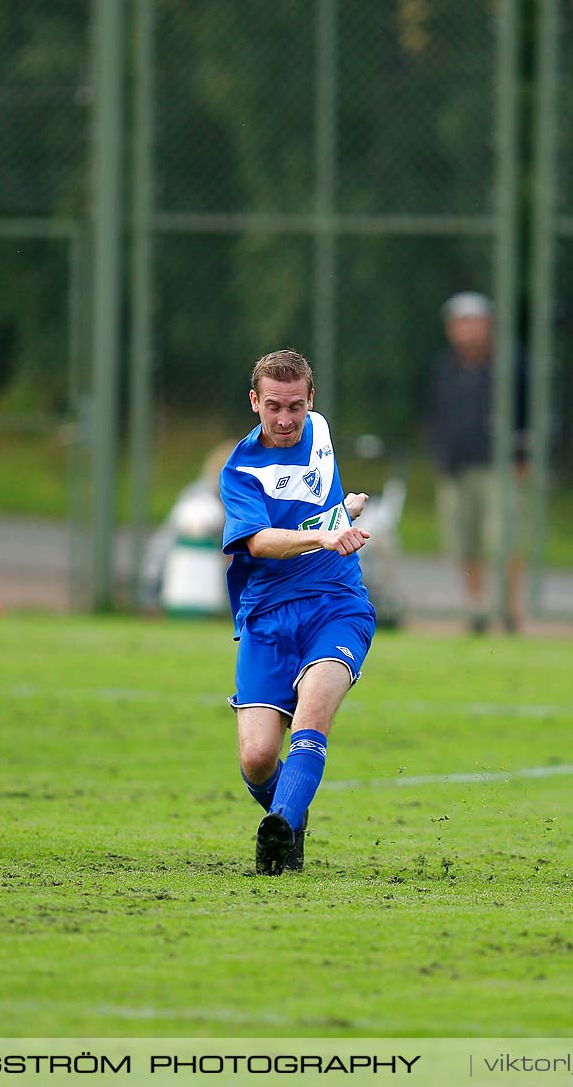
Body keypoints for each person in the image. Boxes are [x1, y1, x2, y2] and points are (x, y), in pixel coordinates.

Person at [220, 349, 375, 875]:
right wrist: (329, 531)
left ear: (312, 400)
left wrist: (339, 512)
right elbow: (260, 542)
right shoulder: (240, 472)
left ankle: (281, 823)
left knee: (313, 714)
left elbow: (310, 490)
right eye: (272, 407)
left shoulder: (321, 432)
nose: (284, 420)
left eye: (294, 406)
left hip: (337, 605)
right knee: (258, 758)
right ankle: (291, 821)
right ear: (253, 403)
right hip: (266, 615)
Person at [427, 290, 525, 633]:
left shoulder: (509, 365)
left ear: (488, 325)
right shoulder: (445, 367)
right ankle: (476, 608)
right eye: (459, 323)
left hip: (497, 467)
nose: (466, 329)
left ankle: (511, 609)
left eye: (473, 322)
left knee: (503, 539)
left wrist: (522, 458)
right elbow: (436, 415)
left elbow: (526, 414)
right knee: (465, 542)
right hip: (457, 467)